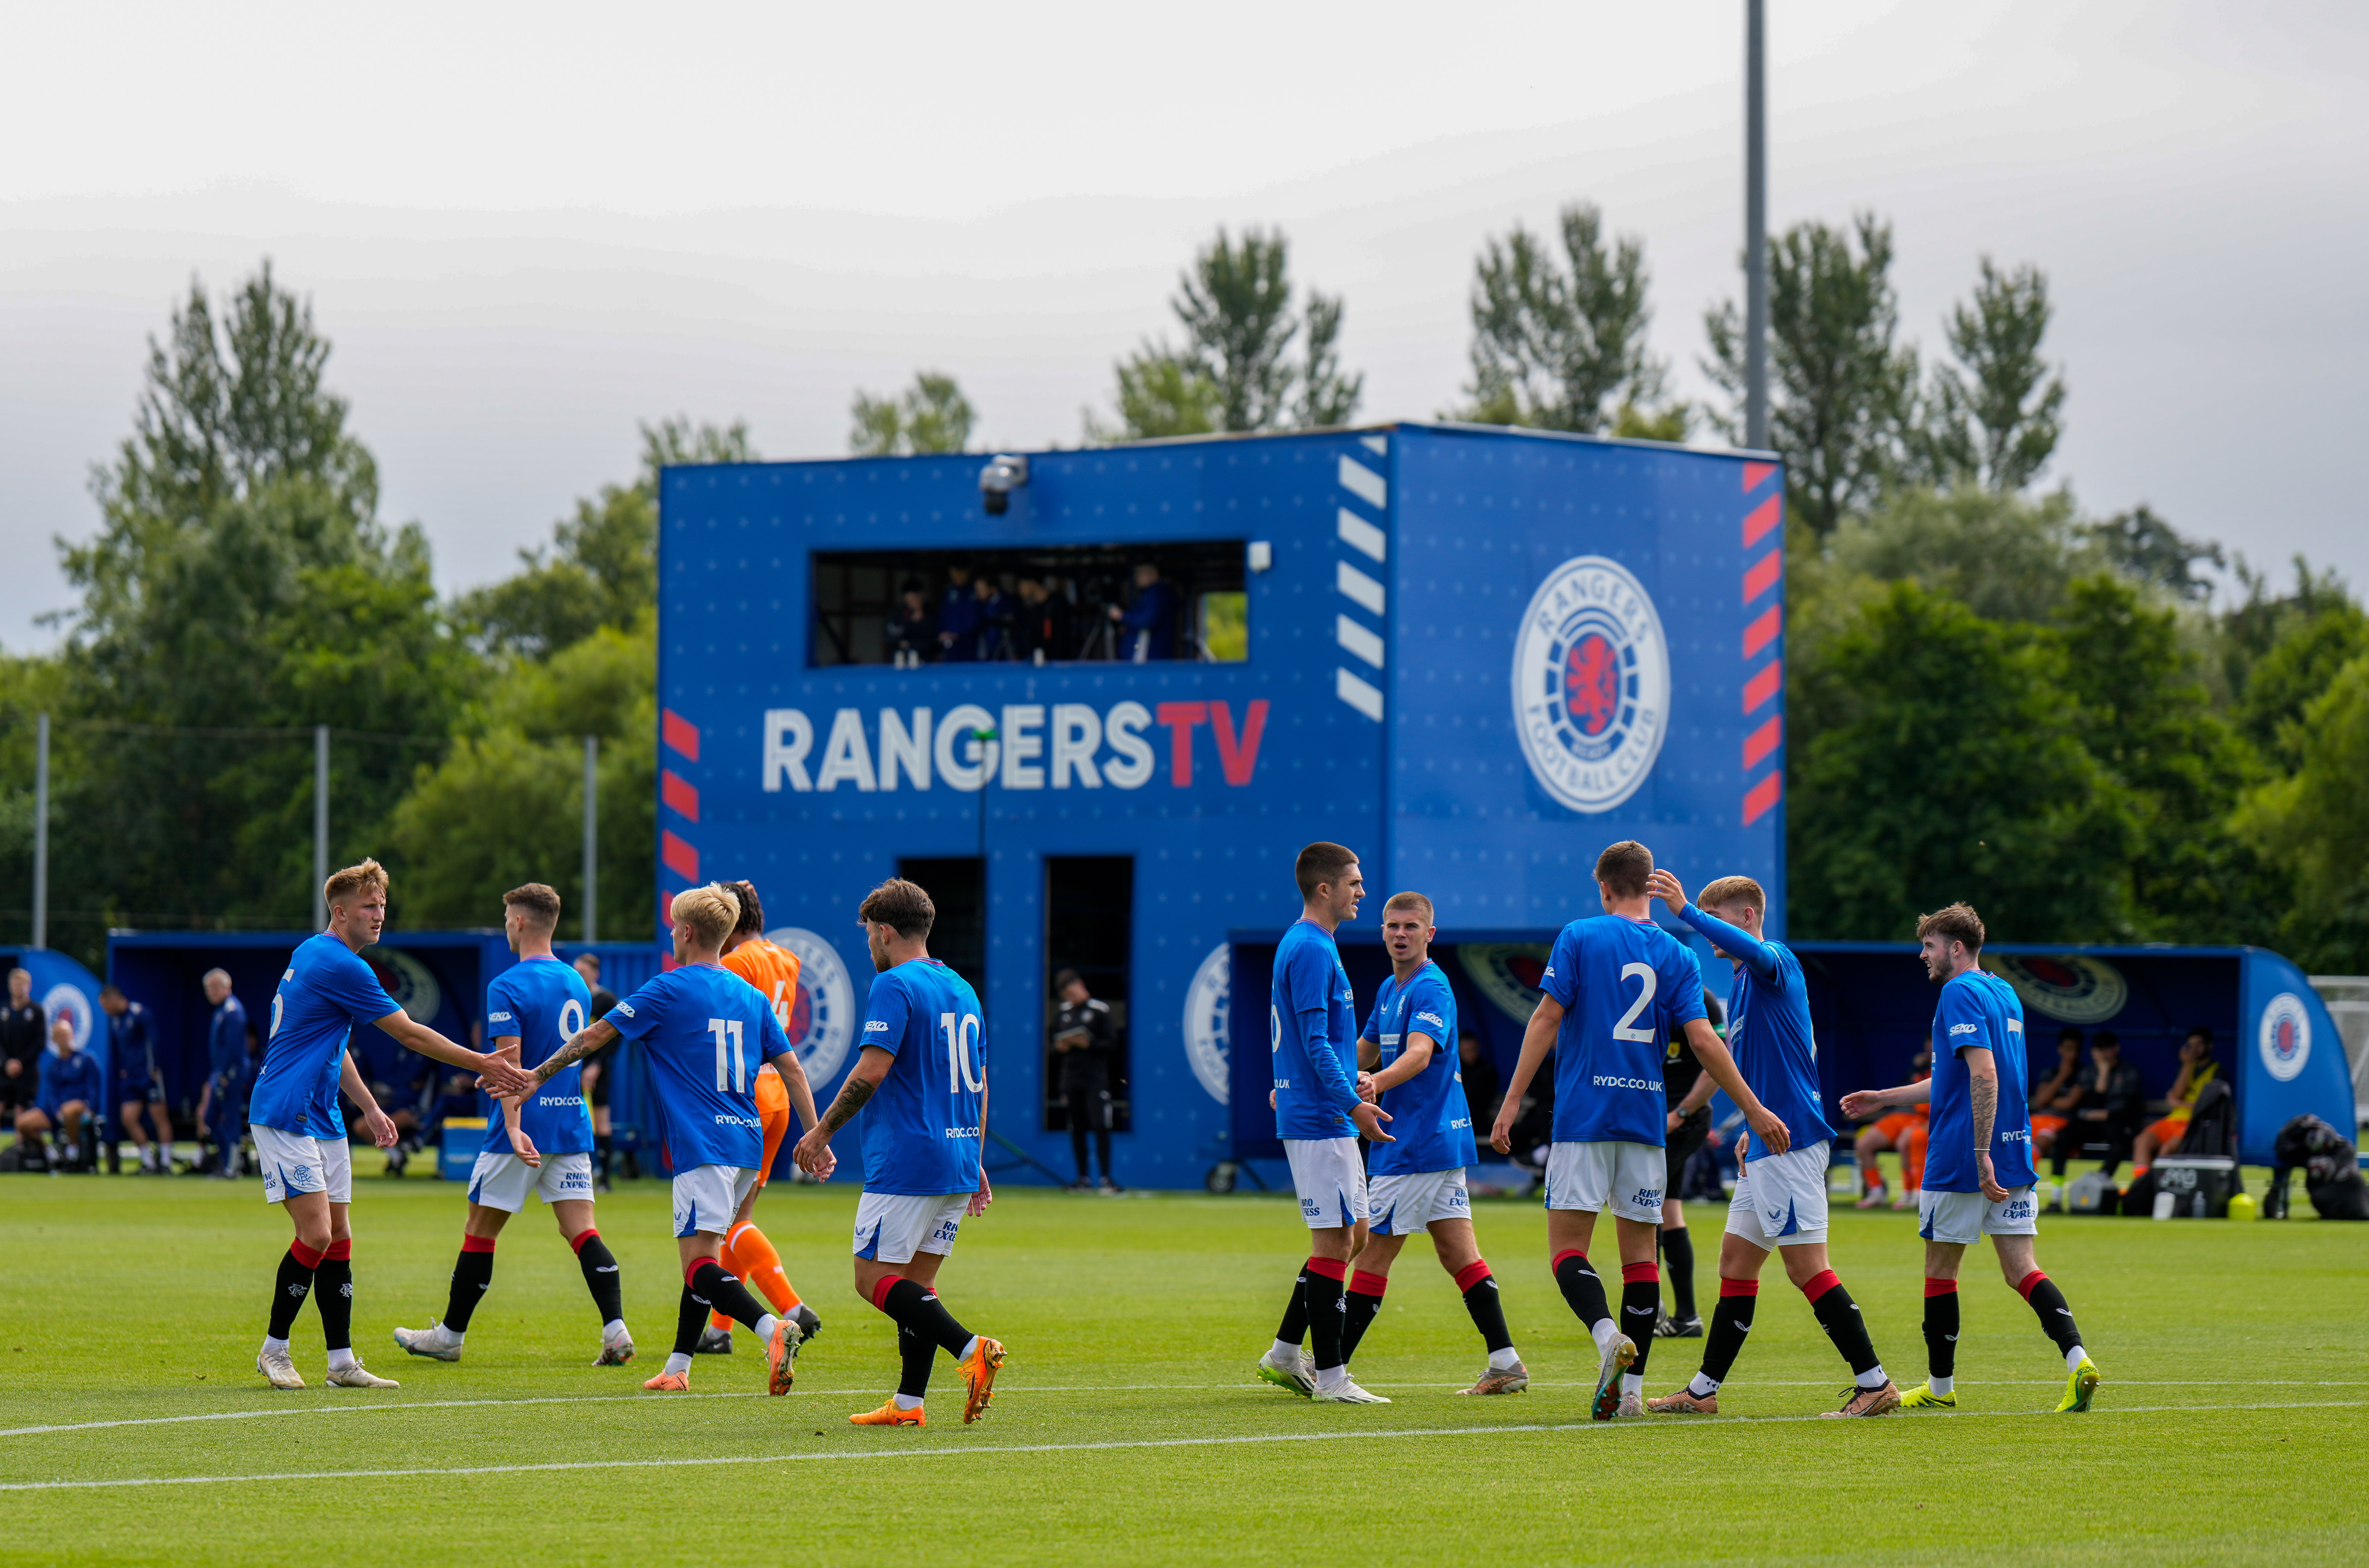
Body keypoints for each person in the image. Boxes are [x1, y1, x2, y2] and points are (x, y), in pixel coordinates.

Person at [1489, 841, 1791, 1422]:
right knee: (1639, 1262)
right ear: (1650, 886)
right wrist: (1752, 1108)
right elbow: (1706, 1041)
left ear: (1604, 887)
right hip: (1647, 1122)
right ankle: (1630, 1395)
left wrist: (1512, 1099)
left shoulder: (1580, 935)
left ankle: (1607, 1338)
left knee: (1567, 1250)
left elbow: (1548, 1017)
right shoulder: (1678, 955)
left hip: (1584, 1119)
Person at [249, 859, 532, 1390]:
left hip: (323, 1114)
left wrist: (369, 1107)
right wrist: (487, 1063)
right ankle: (275, 1350)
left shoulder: (315, 950)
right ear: (340, 913)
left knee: (339, 1238)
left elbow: (332, 1045)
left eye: (382, 905)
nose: (380, 914)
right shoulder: (343, 965)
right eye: (368, 906)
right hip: (286, 1111)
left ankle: (340, 1363)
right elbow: (412, 1034)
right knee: (316, 1232)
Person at [528, 883, 817, 1396]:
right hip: (747, 1147)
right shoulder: (748, 996)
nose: (669, 933)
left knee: (701, 1266)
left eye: (671, 926)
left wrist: (537, 1074)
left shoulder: (668, 988)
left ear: (686, 932)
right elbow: (793, 1069)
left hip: (703, 1148)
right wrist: (816, 1134)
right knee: (704, 1257)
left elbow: (595, 1036)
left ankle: (774, 1329)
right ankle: (679, 1365)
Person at [1643, 871, 1900, 1419]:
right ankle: (1702, 1392)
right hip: (1767, 1144)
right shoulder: (1743, 986)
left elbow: (1753, 954)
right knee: (1736, 1264)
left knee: (1808, 1268)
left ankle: (1875, 1383)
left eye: (1720, 918)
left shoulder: (1775, 959)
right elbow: (1757, 1067)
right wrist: (1744, 1129)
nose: (1712, 932)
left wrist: (1687, 910)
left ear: (1748, 917)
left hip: (1791, 1143)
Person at [1839, 904, 2102, 1415]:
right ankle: (2079, 1361)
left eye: (1930, 945)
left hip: (1965, 1154)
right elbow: (1958, 1078)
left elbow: (1983, 1075)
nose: (1923, 954)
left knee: (1940, 1271)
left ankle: (1940, 1388)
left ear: (1956, 947)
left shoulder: (1956, 992)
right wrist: (1885, 1097)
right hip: (2014, 1147)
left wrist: (1979, 1154)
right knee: (2022, 1268)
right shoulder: (2001, 990)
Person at [790, 877, 1007, 1428]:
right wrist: (976, 1156)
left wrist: (821, 1133)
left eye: (868, 933)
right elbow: (979, 1081)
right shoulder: (962, 987)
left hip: (910, 1160)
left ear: (885, 932)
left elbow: (873, 1070)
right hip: (956, 1158)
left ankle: (970, 1350)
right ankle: (910, 1404)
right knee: (917, 1286)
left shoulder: (895, 984)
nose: (869, 943)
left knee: (871, 1281)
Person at [392, 884, 634, 1368]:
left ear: (521, 922)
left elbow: (509, 1065)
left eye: (506, 916)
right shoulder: (577, 984)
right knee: (581, 1230)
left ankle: (450, 1336)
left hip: (522, 1129)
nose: (505, 923)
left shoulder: (506, 984)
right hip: (570, 1125)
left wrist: (513, 1125)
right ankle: (616, 1330)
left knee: (479, 1230)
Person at [1341, 891, 1529, 1395]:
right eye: (1391, 926)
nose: (1400, 934)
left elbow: (1420, 1055)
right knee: (1459, 1255)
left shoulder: (1431, 987)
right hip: (1436, 1144)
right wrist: (1318, 1079)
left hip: (1416, 1144)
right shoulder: (1389, 988)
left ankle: (1329, 1368)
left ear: (1430, 934)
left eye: (1410, 926)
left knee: (1373, 1252)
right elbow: (1360, 1050)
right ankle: (1506, 1363)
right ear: (1382, 931)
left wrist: (1374, 1083)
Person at [1254, 842, 1396, 1406]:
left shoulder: (1315, 945)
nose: (1362, 891)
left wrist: (1353, 1083)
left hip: (1324, 1107)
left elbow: (1316, 1044)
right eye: (1355, 883)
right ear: (1325, 889)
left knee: (1355, 1235)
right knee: (1336, 1242)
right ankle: (1334, 1378)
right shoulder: (1311, 948)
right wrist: (1354, 1104)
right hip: (1321, 1119)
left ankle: (1287, 1351)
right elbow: (1313, 1042)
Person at [698, 880, 827, 1355]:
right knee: (738, 1216)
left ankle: (790, 1308)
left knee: (726, 1221)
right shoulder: (785, 959)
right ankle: (720, 1329)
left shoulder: (735, 962)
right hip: (776, 1095)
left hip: (743, 1096)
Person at [1652, 990, 1722, 1339]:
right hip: (1654, 1121)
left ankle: (1649, 1307)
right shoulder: (1641, 991)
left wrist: (1680, 1113)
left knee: (1642, 1206)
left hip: (1683, 1119)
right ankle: (1684, 1317)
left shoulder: (1699, 998)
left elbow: (1718, 1060)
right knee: (1667, 1210)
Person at [1051, 967, 1120, 1193]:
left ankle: (1106, 1179)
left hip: (1096, 1079)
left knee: (1101, 1126)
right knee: (1076, 1128)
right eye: (1066, 995)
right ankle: (1083, 1178)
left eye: (1073, 993)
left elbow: (1112, 1044)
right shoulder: (1063, 1013)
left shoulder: (1099, 1011)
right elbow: (1052, 1046)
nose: (1071, 998)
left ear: (1080, 986)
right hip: (1071, 1079)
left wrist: (1088, 1045)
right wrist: (1060, 1046)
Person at [2048, 1031, 2145, 1178]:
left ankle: (2101, 1181)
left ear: (2116, 1049)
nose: (2104, 1053)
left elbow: (2132, 1105)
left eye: (2107, 1048)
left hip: (2117, 1122)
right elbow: (2091, 1103)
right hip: (2092, 1122)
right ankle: (2057, 1192)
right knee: (2062, 1136)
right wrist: (2103, 1073)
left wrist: (2109, 1115)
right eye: (2100, 1049)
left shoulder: (2129, 1072)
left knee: (2122, 1143)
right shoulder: (2088, 1073)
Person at [101, 984, 174, 1173]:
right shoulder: (116, 1022)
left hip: (149, 1075)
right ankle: (148, 1162)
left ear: (115, 999)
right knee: (128, 1118)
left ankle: (165, 1163)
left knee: (160, 1117)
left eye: (106, 1005)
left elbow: (153, 1042)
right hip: (130, 1078)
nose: (105, 1010)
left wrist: (154, 1068)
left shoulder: (140, 1013)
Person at [2130, 1029, 2219, 1179]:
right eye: (2191, 1045)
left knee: (2167, 1149)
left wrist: (2180, 1104)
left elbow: (2210, 1105)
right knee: (2142, 1141)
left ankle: (2159, 1186)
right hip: (2173, 1120)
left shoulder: (2218, 1071)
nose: (2194, 1050)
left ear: (2210, 1046)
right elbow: (2178, 1095)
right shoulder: (2188, 1067)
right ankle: (2142, 1185)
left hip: (2195, 1123)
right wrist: (2187, 1065)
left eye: (2199, 1045)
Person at [1851, 1049, 1931, 1210]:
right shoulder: (1918, 1068)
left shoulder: (1944, 1064)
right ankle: (1876, 1192)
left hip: (1922, 1117)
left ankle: (1913, 1192)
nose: (1930, 1050)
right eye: (1928, 1046)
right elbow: (1905, 1086)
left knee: (1907, 1141)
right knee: (1864, 1144)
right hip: (1899, 1115)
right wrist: (1917, 1068)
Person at [17, 1016, 100, 1171]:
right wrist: (57, 1113)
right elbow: (52, 1094)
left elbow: (94, 1089)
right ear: (54, 1040)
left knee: (69, 1110)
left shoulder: (88, 1059)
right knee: (23, 1123)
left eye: (66, 1034)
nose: (64, 1038)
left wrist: (92, 1109)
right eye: (60, 1035)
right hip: (57, 1112)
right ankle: (50, 1153)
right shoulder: (53, 1066)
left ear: (73, 1035)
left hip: (80, 1108)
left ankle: (73, 1152)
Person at [572, 953, 621, 1190]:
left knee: (601, 1122)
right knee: (575, 1120)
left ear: (595, 974)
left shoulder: (606, 1000)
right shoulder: (573, 1000)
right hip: (573, 1069)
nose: (579, 977)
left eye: (583, 972)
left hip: (596, 1071)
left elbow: (614, 1037)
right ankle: (579, 1175)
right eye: (576, 972)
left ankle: (604, 1179)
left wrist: (596, 1065)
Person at [195, 969, 250, 1179]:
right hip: (220, 1073)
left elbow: (234, 1047)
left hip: (230, 1075)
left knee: (231, 1118)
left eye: (216, 987)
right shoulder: (221, 1011)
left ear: (228, 987)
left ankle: (232, 1167)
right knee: (209, 1117)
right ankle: (228, 1159)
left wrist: (226, 1074)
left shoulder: (232, 1010)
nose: (212, 992)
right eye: (209, 988)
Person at [2027, 1028, 2084, 1166]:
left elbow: (2069, 1103)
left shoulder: (2083, 1074)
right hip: (2036, 1119)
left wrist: (2049, 1099)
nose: (2072, 1054)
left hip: (2061, 1122)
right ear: (2060, 1049)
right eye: (2068, 1049)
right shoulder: (2050, 1073)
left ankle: (2028, 1186)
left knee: (2038, 1145)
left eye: (2075, 1050)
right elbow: (2041, 1101)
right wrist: (2062, 1075)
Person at [1109, 562, 1177, 662]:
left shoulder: (1155, 593)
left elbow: (1147, 620)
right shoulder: (1149, 594)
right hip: (1150, 656)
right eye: (1137, 574)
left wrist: (1121, 616)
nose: (1138, 577)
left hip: (1147, 658)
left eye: (1142, 573)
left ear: (1155, 574)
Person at [1, 967, 42, 1118]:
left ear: (29, 987)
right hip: (4, 1069)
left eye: (21, 984)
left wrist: (20, 1063)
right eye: (15, 984)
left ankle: (22, 1142)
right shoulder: (3, 1010)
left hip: (28, 1071)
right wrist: (7, 1063)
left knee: (21, 1112)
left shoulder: (37, 1011)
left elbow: (40, 1042)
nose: (18, 988)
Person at [884, 578, 937, 665]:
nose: (916, 600)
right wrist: (910, 623)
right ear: (906, 597)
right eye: (913, 597)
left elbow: (933, 641)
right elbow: (890, 638)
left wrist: (910, 644)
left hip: (926, 661)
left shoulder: (931, 613)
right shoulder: (897, 613)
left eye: (919, 597)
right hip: (901, 661)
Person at [1457, 1030, 1501, 1130]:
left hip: (1476, 1118)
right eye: (1466, 1051)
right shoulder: (1455, 1069)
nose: (1470, 1054)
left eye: (1473, 1049)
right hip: (1457, 1115)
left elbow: (1478, 1100)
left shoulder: (1487, 1071)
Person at [937, 566, 981, 662]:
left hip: (970, 645)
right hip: (950, 646)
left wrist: (957, 634)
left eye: (961, 573)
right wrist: (942, 634)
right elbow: (943, 617)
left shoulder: (974, 592)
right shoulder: (949, 591)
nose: (959, 577)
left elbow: (976, 619)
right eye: (955, 574)